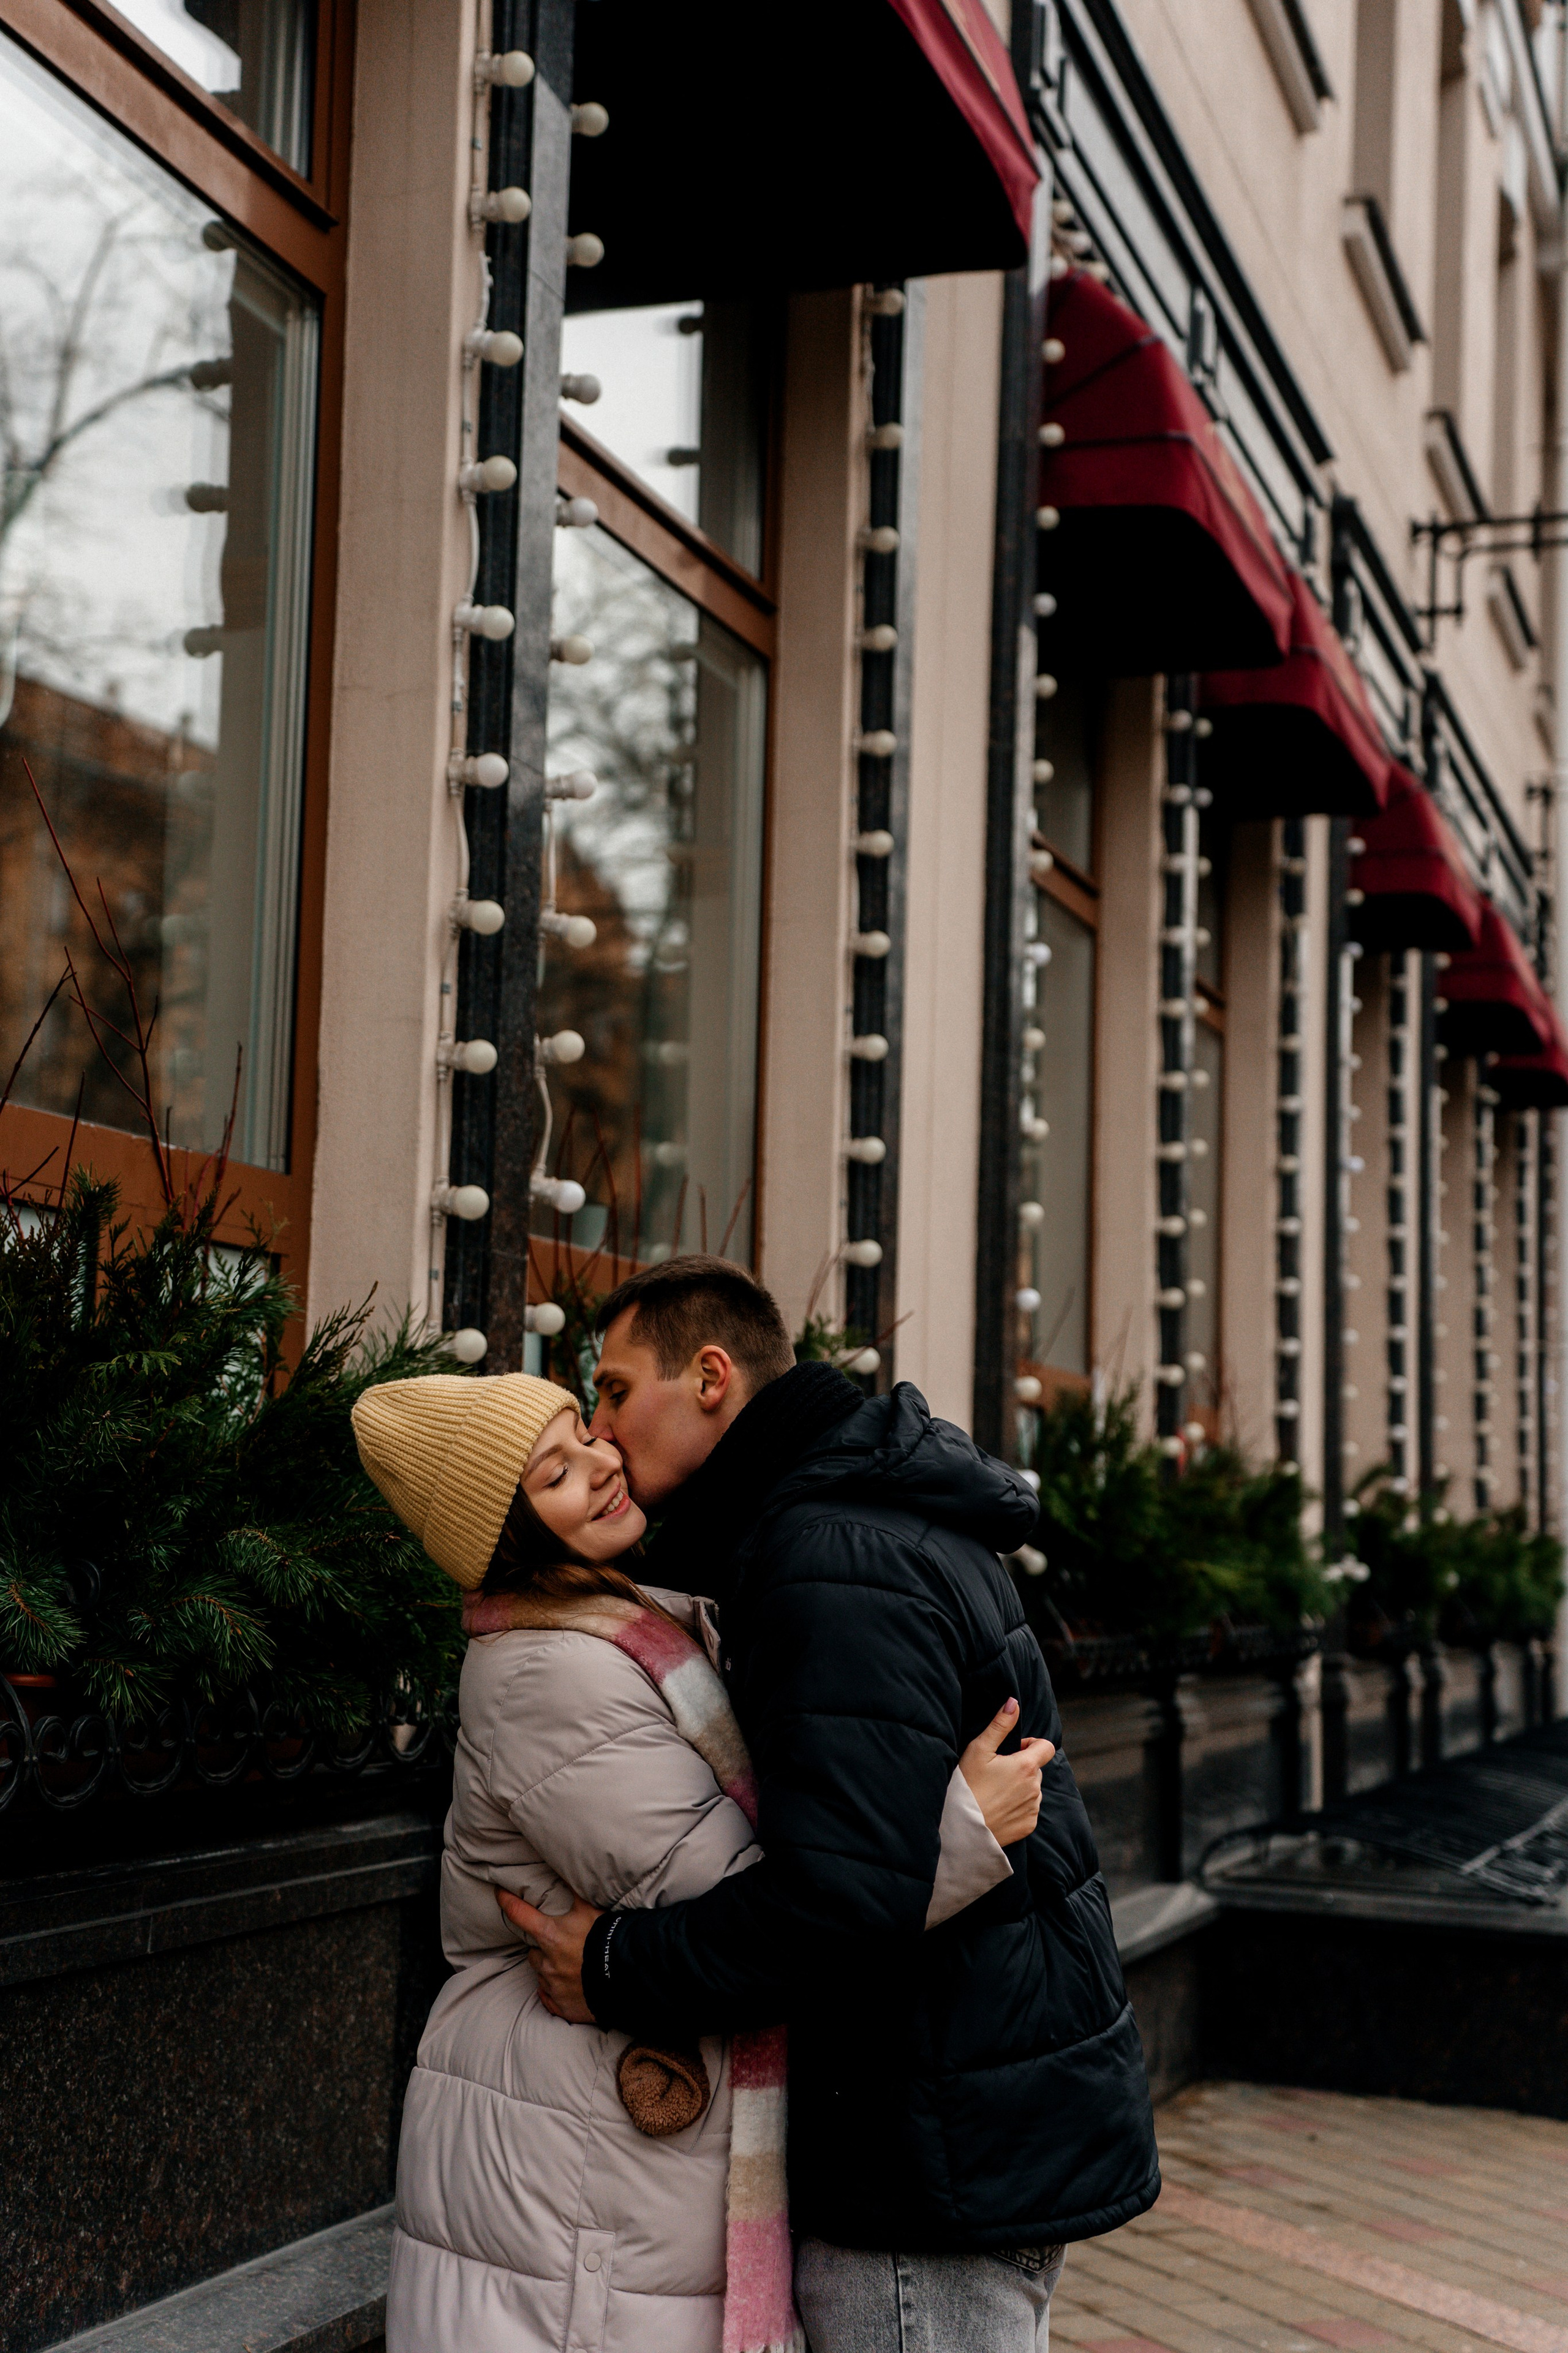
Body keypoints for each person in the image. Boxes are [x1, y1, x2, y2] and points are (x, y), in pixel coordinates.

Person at [500, 1256, 1161, 2352]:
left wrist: (618, 1963)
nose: (606, 1432)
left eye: (615, 1391)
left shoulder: (824, 1557)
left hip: (922, 2147)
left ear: (710, 1376)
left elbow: (835, 1901)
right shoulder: (851, 1512)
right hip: (966, 2115)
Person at [350, 1369, 1050, 2353]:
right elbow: (752, 1899)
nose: (600, 1464)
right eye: (556, 1472)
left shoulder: (640, 1622)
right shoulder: (550, 1671)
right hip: (576, 2151)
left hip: (611, 2126)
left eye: (582, 1437)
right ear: (507, 1536)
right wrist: (959, 1832)